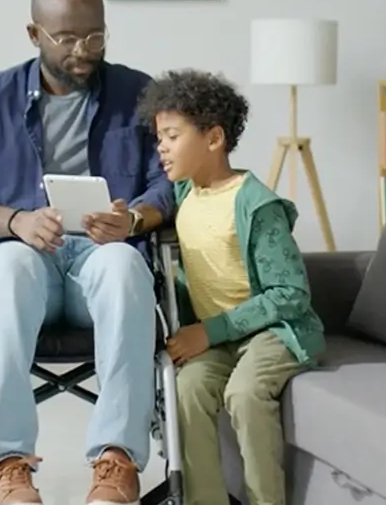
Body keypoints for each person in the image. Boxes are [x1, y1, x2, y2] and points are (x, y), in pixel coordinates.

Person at [0, 0, 174, 504]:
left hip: (102, 258)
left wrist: (133, 219)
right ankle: (7, 464)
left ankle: (116, 461)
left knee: (125, 265)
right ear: (33, 34)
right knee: (10, 265)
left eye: (95, 36)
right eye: (66, 38)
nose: (83, 51)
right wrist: (15, 221)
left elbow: (169, 181)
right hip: (25, 259)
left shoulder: (138, 93)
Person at [135, 70, 326, 505]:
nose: (161, 147)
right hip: (220, 338)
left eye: (172, 136)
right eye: (159, 137)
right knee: (186, 389)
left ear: (214, 138)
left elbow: (291, 294)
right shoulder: (183, 194)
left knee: (245, 393)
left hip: (273, 333)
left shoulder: (256, 204)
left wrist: (209, 331)